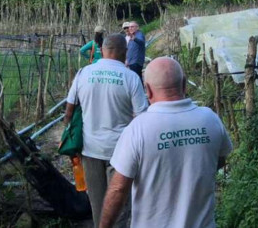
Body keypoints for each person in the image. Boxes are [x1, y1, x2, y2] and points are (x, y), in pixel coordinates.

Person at [99, 57, 233, 228]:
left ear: (147, 90)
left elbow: (118, 189)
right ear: (184, 84)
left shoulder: (138, 129)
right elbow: (218, 161)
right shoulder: (210, 119)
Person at [64, 34, 148, 228]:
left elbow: (68, 112)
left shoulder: (83, 73)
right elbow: (143, 118)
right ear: (124, 53)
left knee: (97, 203)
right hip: (120, 152)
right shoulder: (131, 78)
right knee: (119, 204)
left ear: (102, 51)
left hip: (89, 149)